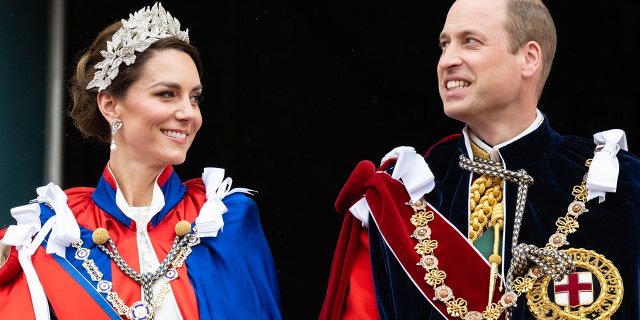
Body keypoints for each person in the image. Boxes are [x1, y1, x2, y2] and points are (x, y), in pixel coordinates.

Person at [320, 0, 639, 319]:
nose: (447, 60)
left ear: (528, 59)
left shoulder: (620, 184)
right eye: (444, 45)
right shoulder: (402, 196)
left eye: (469, 41)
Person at [0, 3, 282, 319]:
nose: (189, 113)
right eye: (166, 94)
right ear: (110, 104)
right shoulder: (53, 233)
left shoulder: (224, 220)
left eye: (194, 97)